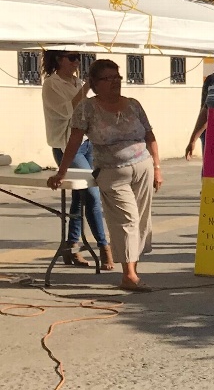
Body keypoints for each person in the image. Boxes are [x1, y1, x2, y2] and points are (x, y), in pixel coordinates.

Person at [47, 60, 162, 292]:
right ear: (95, 84)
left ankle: (132, 271)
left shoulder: (133, 104)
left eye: (117, 77)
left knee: (140, 220)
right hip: (112, 172)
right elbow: (74, 140)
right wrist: (61, 171)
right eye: (108, 78)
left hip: (143, 167)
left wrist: (157, 167)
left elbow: (149, 135)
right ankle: (128, 276)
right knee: (126, 221)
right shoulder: (87, 108)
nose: (114, 82)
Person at [41, 50, 111, 269]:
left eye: (78, 57)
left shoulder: (76, 82)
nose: (76, 62)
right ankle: (104, 246)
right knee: (92, 193)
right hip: (66, 147)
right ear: (59, 59)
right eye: (72, 57)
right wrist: (87, 87)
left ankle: (71, 245)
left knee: (79, 198)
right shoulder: (51, 85)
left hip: (86, 143)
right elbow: (69, 109)